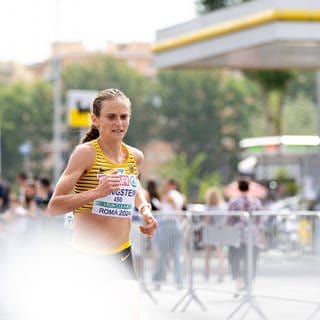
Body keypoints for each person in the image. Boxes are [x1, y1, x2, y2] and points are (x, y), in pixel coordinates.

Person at [46, 88, 158, 319]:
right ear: (95, 120)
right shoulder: (85, 154)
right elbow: (54, 206)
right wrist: (97, 192)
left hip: (121, 254)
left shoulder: (135, 156)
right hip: (85, 256)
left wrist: (145, 209)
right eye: (111, 116)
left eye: (124, 116)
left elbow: (134, 185)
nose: (119, 123)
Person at [227, 177, 263, 297]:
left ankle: (239, 283)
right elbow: (260, 220)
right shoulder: (256, 202)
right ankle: (248, 285)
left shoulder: (234, 202)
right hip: (253, 237)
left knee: (235, 260)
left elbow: (229, 219)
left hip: (238, 237)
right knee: (251, 261)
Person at [152, 178, 185, 289]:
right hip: (171, 224)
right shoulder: (176, 196)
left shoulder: (172, 195)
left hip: (169, 224)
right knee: (175, 255)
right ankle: (178, 281)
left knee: (164, 254)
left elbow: (176, 209)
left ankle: (158, 281)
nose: (164, 187)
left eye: (166, 185)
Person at [203, 186, 227, 282]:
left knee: (208, 253)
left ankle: (207, 272)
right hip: (220, 230)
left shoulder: (208, 208)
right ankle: (220, 273)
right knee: (220, 253)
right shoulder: (222, 206)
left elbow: (206, 220)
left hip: (210, 230)